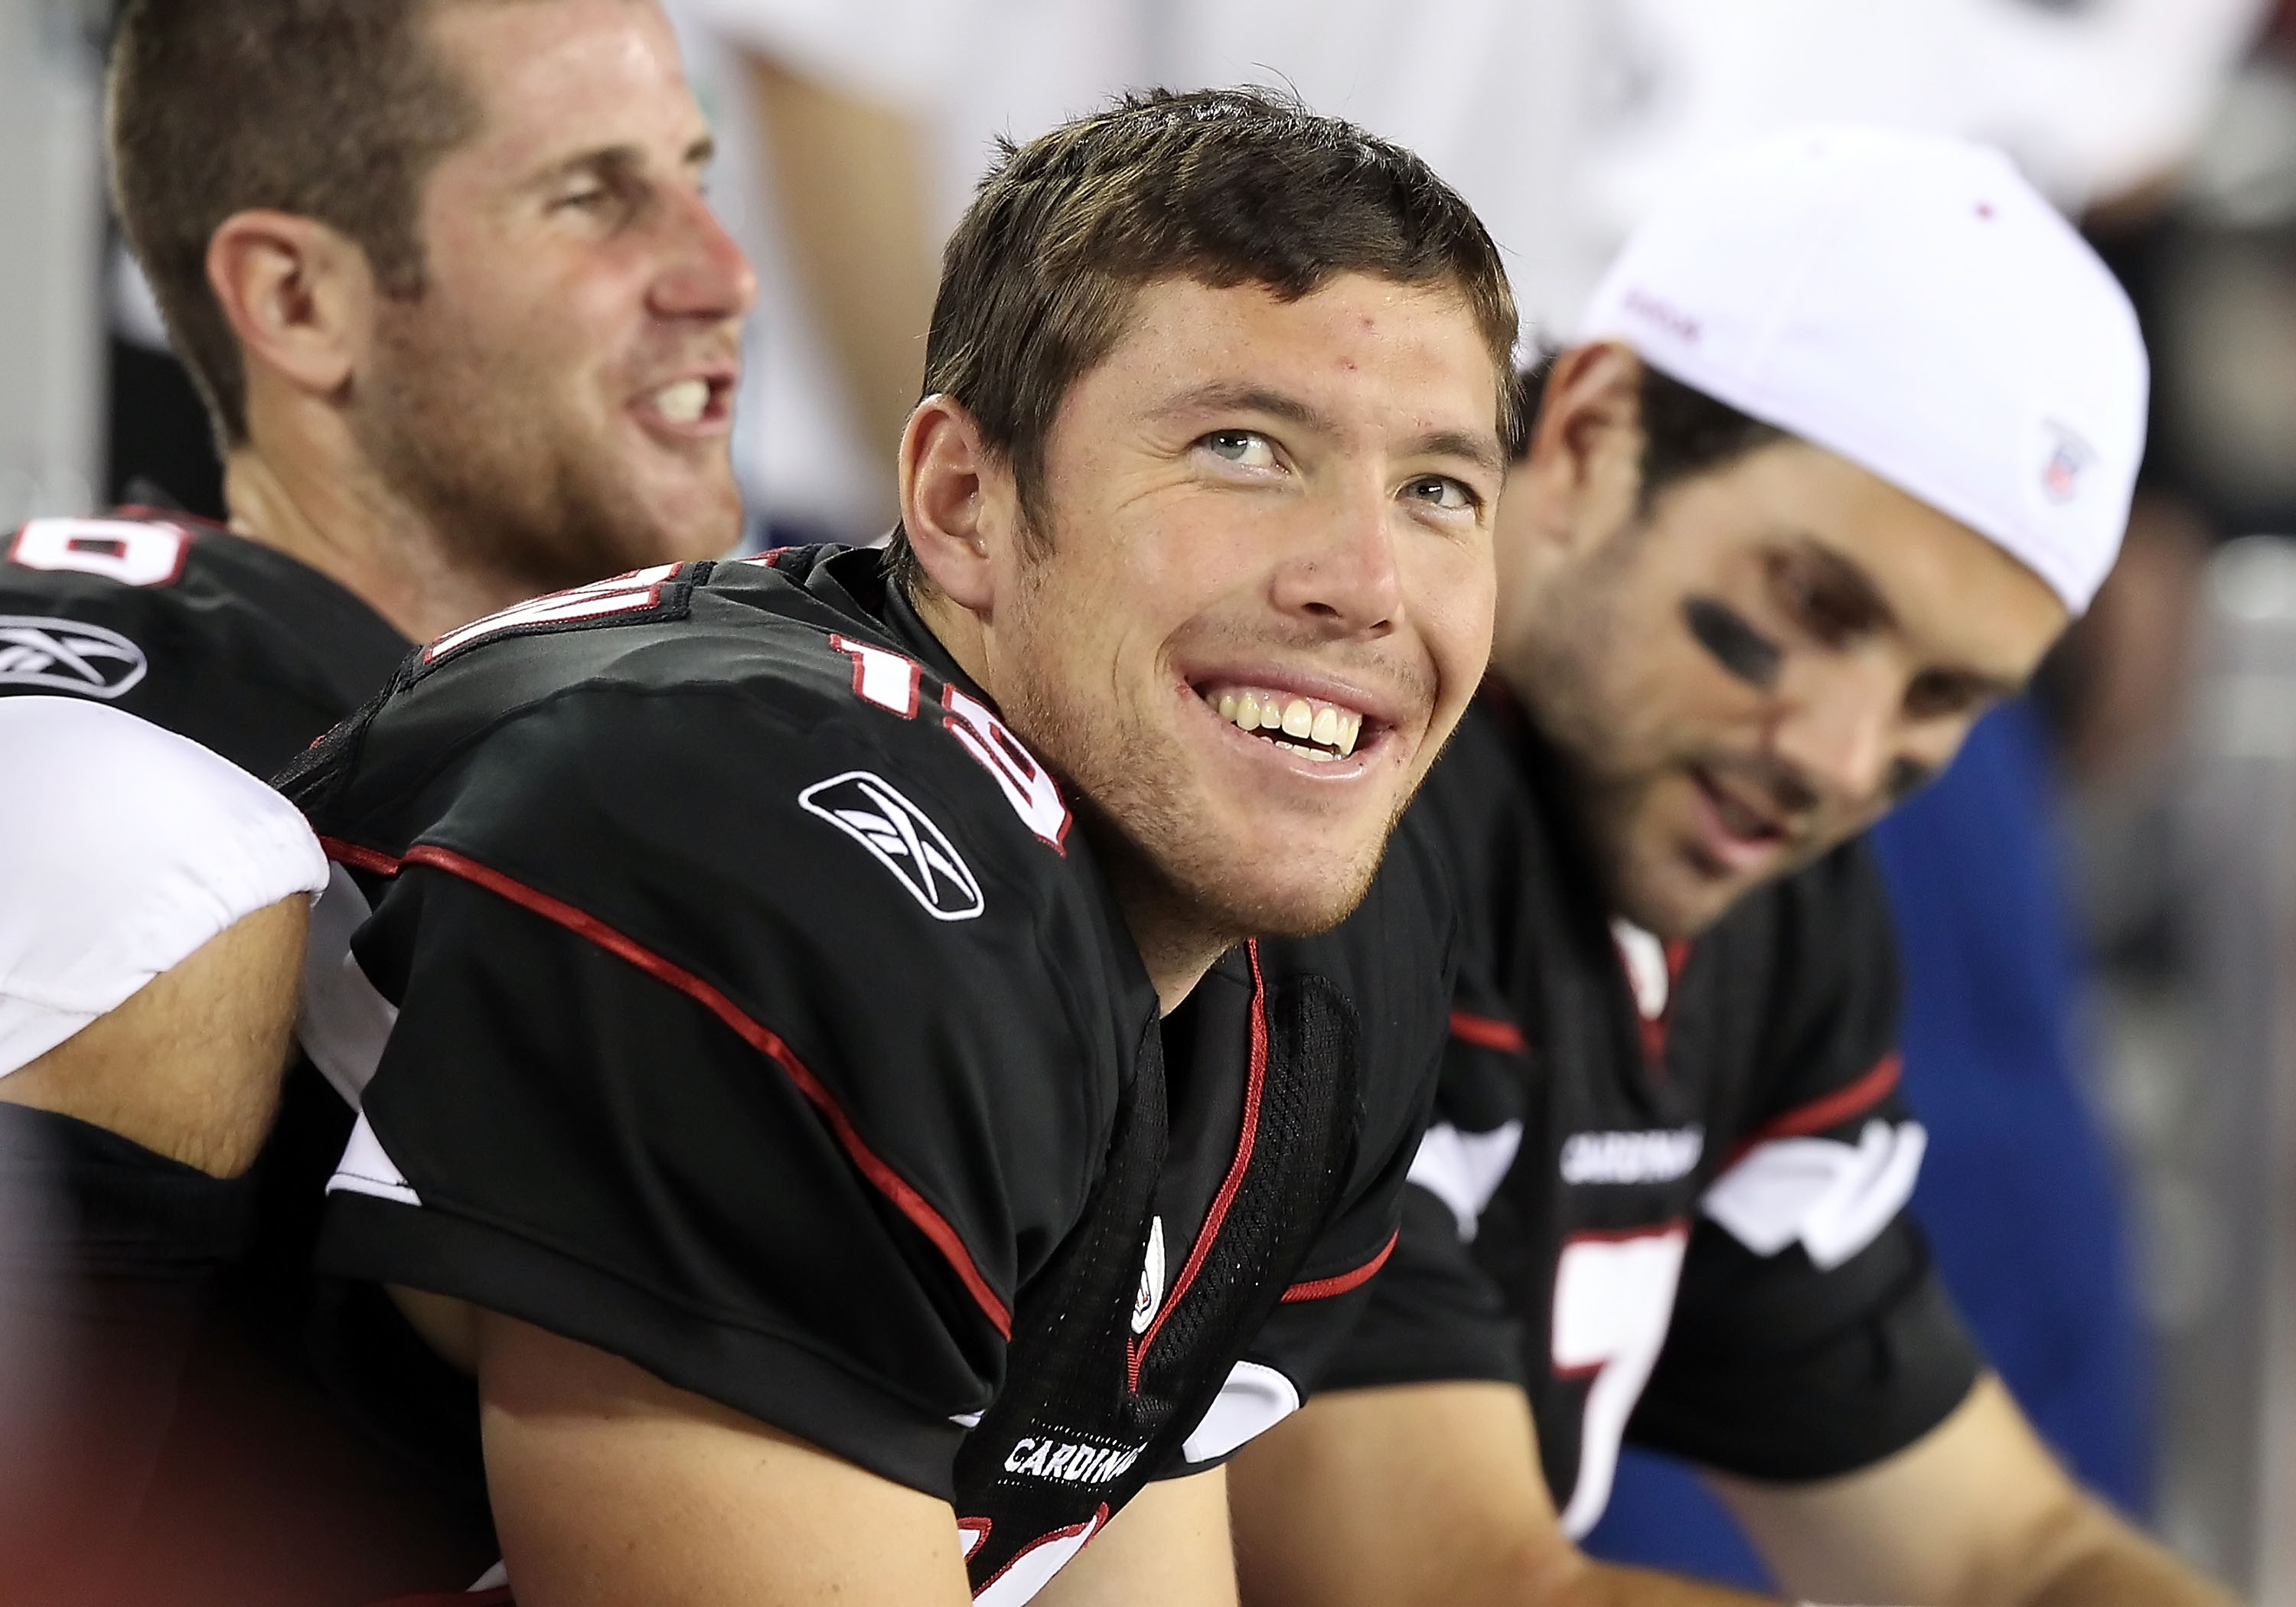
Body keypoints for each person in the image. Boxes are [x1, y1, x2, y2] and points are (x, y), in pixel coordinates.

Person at [124, 86, 1516, 1604]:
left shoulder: (1326, 948)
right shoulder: (783, 851)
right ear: (962, 502)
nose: (1368, 583)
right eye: (1245, 448)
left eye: (1439, 488)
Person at [1225, 127, 2232, 1606]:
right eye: (1813, 603)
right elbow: (1444, 1589)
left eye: (1944, 696)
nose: (1839, 755)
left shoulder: (1759, 886)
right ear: (1589, 437)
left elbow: (2008, 1555)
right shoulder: (1323, 790)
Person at [0, 0, 752, 1596]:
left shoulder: (657, 752)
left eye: (694, 175)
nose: (721, 271)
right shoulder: (124, 738)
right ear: (297, 299)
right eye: (591, 197)